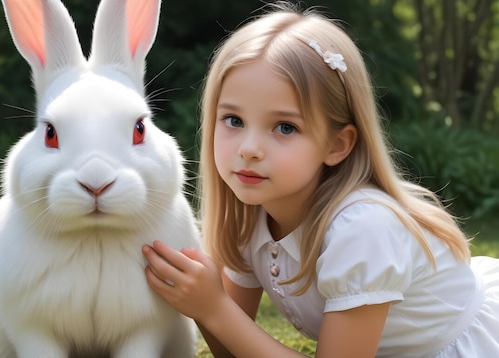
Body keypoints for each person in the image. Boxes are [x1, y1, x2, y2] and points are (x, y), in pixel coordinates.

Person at [141, 2, 499, 357]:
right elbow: (231, 351)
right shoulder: (251, 216)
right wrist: (205, 303)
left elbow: (225, 319)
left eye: (284, 127)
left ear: (337, 145)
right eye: (233, 120)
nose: (249, 149)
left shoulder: (362, 229)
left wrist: (215, 308)